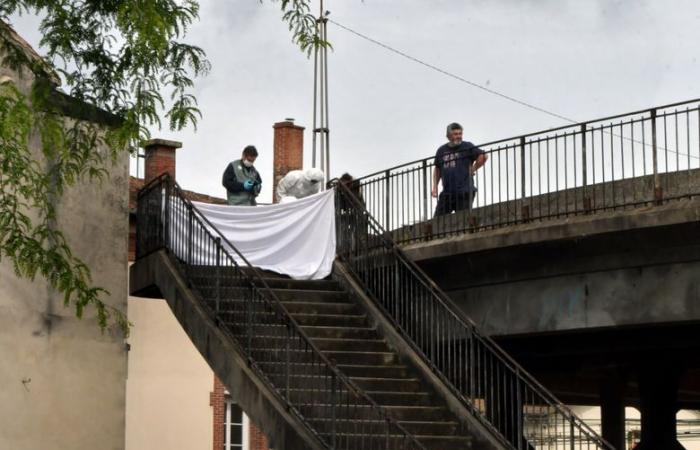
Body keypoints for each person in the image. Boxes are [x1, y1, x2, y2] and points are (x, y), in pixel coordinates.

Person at [431, 122, 488, 216]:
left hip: (464, 191)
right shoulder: (441, 150)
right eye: (455, 134)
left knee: (462, 220)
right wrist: (435, 187)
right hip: (447, 192)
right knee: (438, 220)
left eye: (460, 134)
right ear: (448, 136)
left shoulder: (467, 146)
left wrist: (473, 169)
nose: (458, 136)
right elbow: (437, 169)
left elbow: (483, 156)